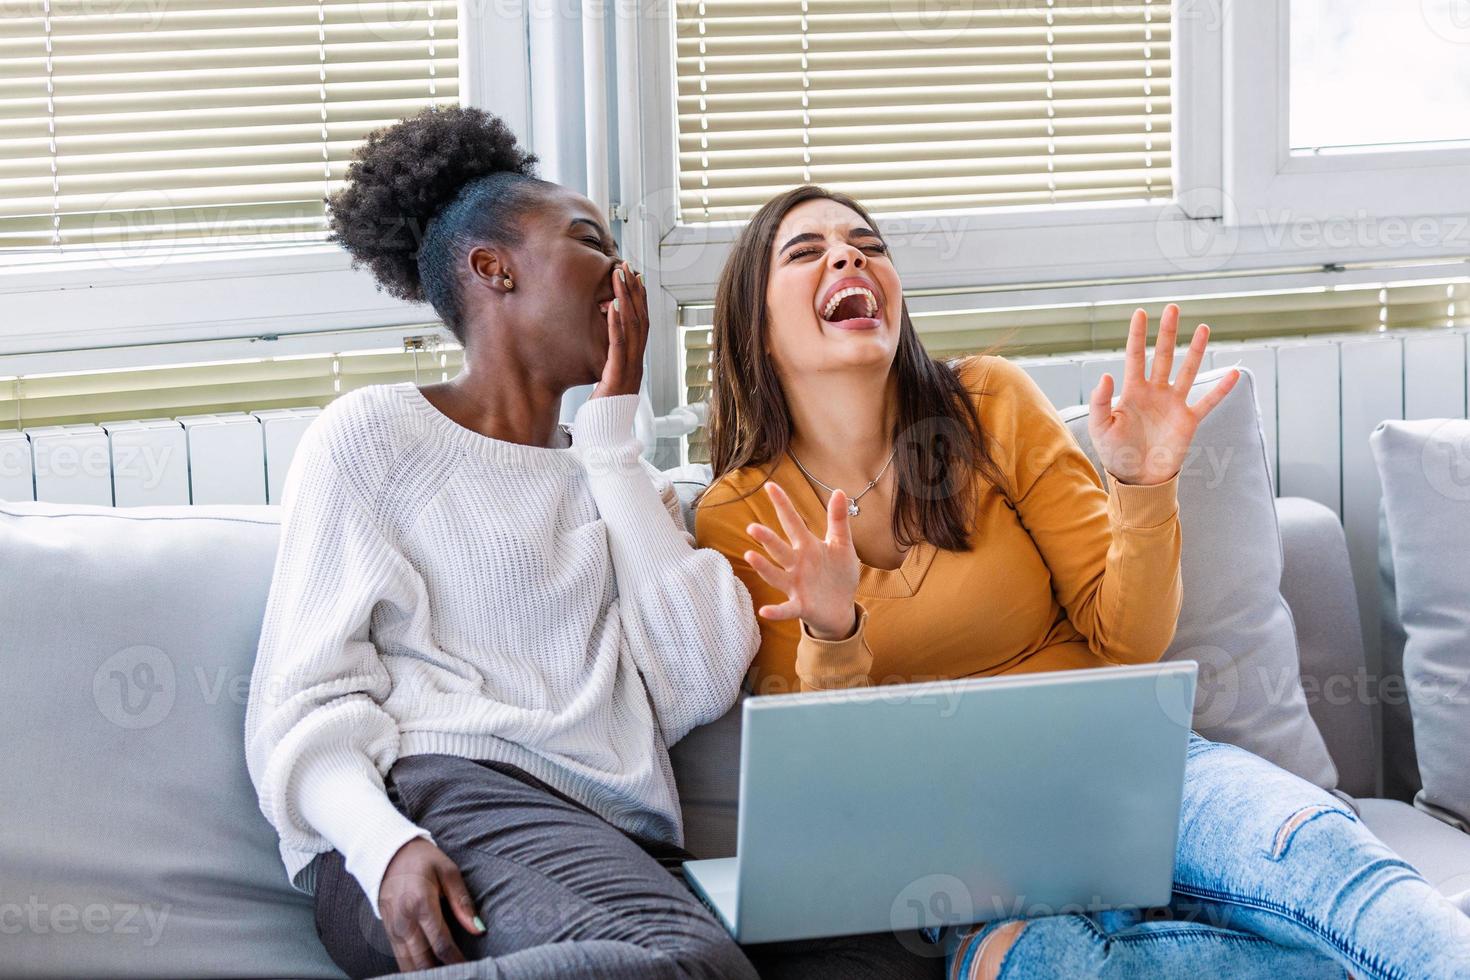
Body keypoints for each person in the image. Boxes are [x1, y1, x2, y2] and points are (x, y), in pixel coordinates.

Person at [693, 183, 1470, 979]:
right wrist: (833, 631)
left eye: (867, 244)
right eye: (806, 251)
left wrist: (1141, 484)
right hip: (974, 864)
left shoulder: (988, 404)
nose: (849, 255)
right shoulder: (740, 510)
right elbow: (835, 779)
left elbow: (1129, 642)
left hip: (1138, 778)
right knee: (1045, 965)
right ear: (754, 322)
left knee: (1314, 846)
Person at [244, 106, 761, 979]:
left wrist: (611, 440)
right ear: (494, 270)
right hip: (440, 811)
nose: (622, 272)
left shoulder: (617, 477)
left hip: (609, 842)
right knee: (689, 965)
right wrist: (384, 847)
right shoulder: (375, 436)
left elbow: (698, 677)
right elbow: (302, 699)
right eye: (591, 240)